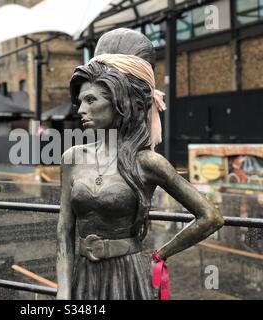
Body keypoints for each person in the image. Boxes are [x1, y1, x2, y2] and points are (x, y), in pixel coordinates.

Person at [56, 28, 224, 300]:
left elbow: (211, 216)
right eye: (79, 101)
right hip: (84, 277)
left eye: (91, 100)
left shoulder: (148, 162)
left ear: (119, 101)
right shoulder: (72, 158)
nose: (80, 110)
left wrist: (160, 255)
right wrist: (63, 292)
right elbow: (64, 230)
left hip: (129, 277)